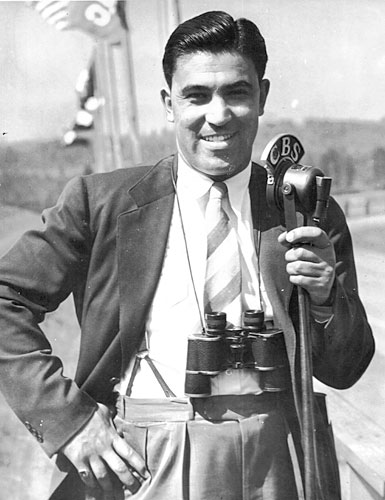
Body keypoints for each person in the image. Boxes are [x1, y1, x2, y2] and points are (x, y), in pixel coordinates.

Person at [0, 10, 374, 500]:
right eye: (196, 95)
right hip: (148, 455)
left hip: (280, 455)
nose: (216, 115)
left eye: (236, 93)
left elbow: (345, 369)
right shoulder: (102, 203)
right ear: (169, 104)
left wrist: (324, 297)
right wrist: (70, 422)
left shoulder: (304, 211)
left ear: (261, 96)